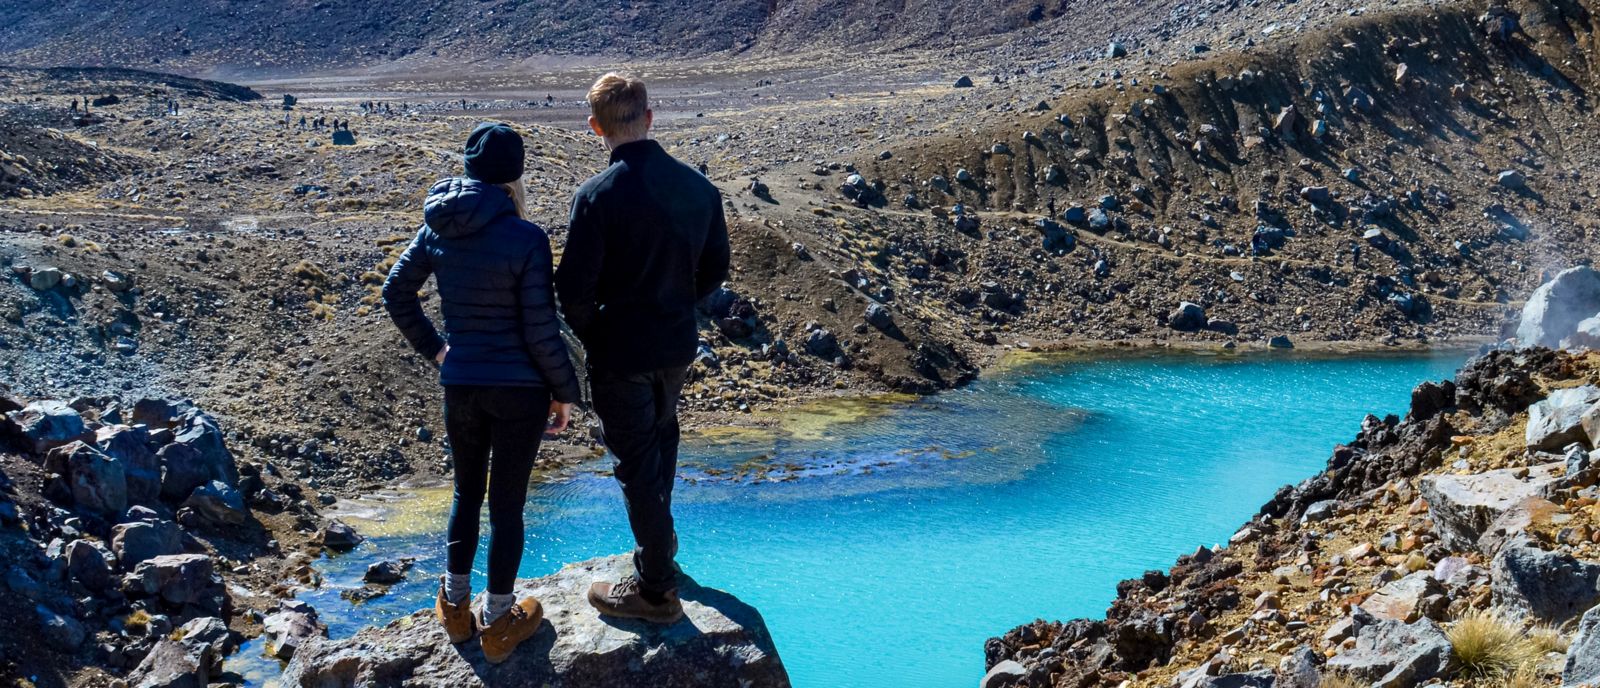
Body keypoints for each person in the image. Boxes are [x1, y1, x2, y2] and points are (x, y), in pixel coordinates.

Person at [382, 122, 581, 663]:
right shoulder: (526, 237)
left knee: (466, 493)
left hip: (463, 383)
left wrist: (440, 351)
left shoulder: (438, 226)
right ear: (515, 176)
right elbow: (541, 327)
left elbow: (396, 292)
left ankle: (454, 605)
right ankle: (498, 624)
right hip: (519, 391)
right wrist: (563, 392)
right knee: (508, 506)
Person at [556, 73, 730, 624]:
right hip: (675, 344)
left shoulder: (595, 198)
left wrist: (597, 334)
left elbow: (573, 291)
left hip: (620, 352)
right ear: (650, 117)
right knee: (660, 442)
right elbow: (716, 269)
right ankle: (662, 556)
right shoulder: (698, 188)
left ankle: (655, 591)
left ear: (596, 127)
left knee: (635, 464)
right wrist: (679, 301)